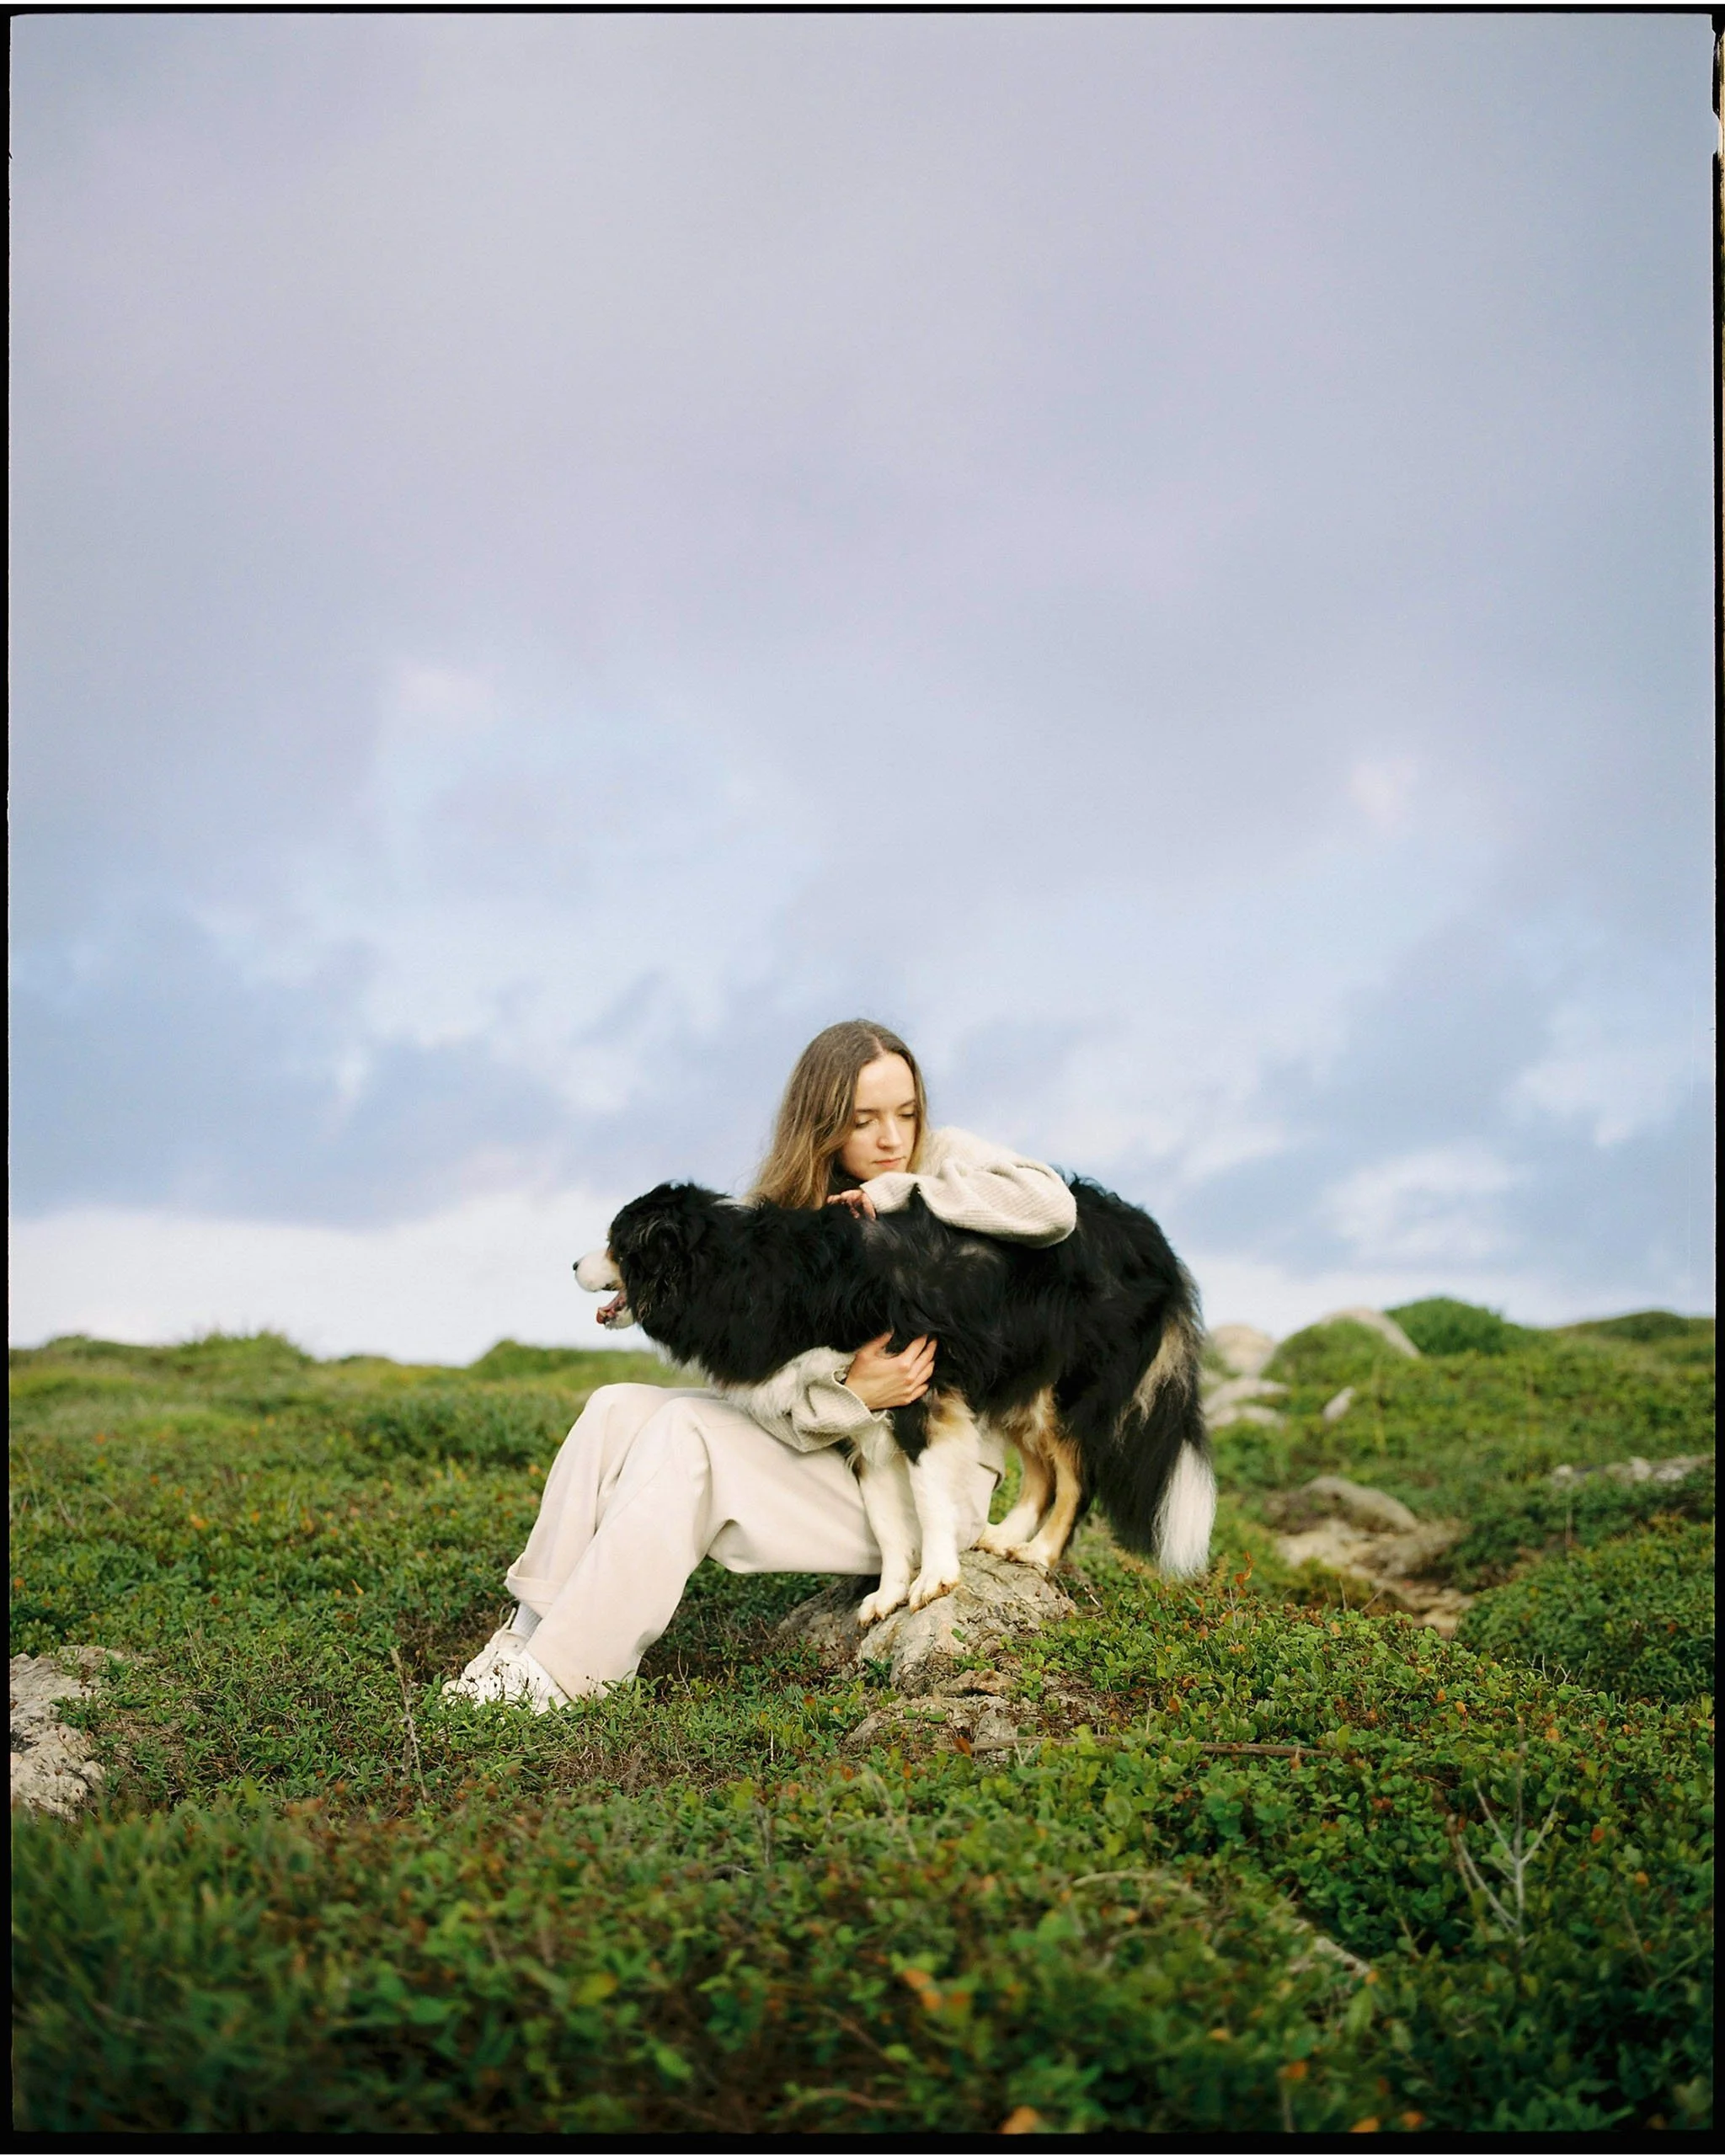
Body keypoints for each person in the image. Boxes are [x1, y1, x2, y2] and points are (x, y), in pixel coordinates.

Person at [445, 1019, 1077, 1710]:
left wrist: (909, 1194)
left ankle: (564, 1679)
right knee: (617, 1407)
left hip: (925, 1488)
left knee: (687, 1437)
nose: (892, 1138)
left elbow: (1051, 1206)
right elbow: (758, 1395)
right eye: (863, 1121)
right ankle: (525, 1640)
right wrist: (848, 1390)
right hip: (836, 1459)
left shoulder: (940, 1158)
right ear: (822, 1122)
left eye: (906, 1112)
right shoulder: (775, 1215)